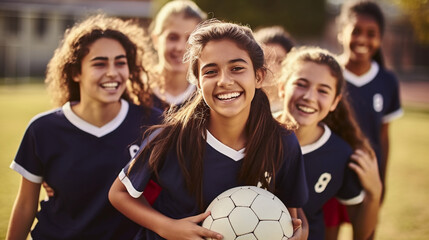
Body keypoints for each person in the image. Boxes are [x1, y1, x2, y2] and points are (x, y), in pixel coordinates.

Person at [109, 19, 309, 240]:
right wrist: (166, 227)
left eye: (237, 68)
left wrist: (299, 234)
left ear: (258, 76)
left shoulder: (282, 141)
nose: (224, 81)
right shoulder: (171, 138)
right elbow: (118, 193)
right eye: (211, 71)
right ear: (198, 81)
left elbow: (295, 216)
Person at [6, 14, 162, 239]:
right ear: (76, 72)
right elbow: (25, 205)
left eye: (120, 62)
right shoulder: (42, 129)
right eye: (99, 63)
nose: (112, 72)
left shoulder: (154, 124)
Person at [278, 46, 382, 240]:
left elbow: (361, 233)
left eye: (323, 91)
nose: (309, 97)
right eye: (301, 84)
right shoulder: (254, 131)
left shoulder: (340, 155)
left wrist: (374, 193)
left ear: (335, 102)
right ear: (282, 87)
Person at [323, 1, 403, 238]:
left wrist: (381, 180)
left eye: (371, 34)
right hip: (330, 176)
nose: (363, 39)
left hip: (367, 176)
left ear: (380, 38)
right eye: (356, 31)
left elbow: (384, 136)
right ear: (342, 32)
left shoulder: (387, 81)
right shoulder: (328, 73)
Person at [144, 0, 207, 111]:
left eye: (190, 39)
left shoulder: (206, 96)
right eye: (173, 37)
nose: (180, 47)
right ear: (156, 40)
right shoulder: (137, 91)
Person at [254, 25, 295, 113]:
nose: (270, 67)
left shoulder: (294, 108)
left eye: (279, 61)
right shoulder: (242, 102)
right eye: (265, 60)